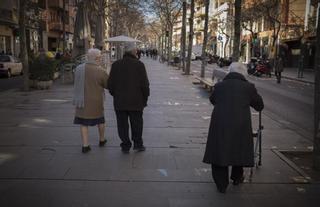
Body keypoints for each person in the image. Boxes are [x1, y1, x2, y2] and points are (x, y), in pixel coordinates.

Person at [203, 62, 264, 193]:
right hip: (240, 124)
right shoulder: (248, 87)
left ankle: (221, 184)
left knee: (220, 151)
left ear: (229, 72)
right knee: (239, 149)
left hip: (221, 124)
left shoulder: (219, 86)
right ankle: (237, 177)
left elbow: (212, 100)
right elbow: (259, 105)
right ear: (244, 73)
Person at [107, 42, 150, 153]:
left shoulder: (116, 65)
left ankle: (125, 145)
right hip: (136, 101)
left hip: (120, 101)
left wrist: (115, 94)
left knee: (122, 125)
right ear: (134, 52)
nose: (137, 52)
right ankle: (138, 144)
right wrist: (145, 98)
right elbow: (145, 84)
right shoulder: (139, 65)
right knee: (137, 124)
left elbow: (110, 84)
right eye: (136, 50)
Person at [73, 48, 109, 153]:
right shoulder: (100, 70)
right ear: (97, 58)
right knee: (101, 121)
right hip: (96, 101)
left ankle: (85, 145)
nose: (101, 59)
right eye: (100, 57)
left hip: (82, 100)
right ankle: (102, 140)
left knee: (83, 123)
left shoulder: (79, 68)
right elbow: (108, 84)